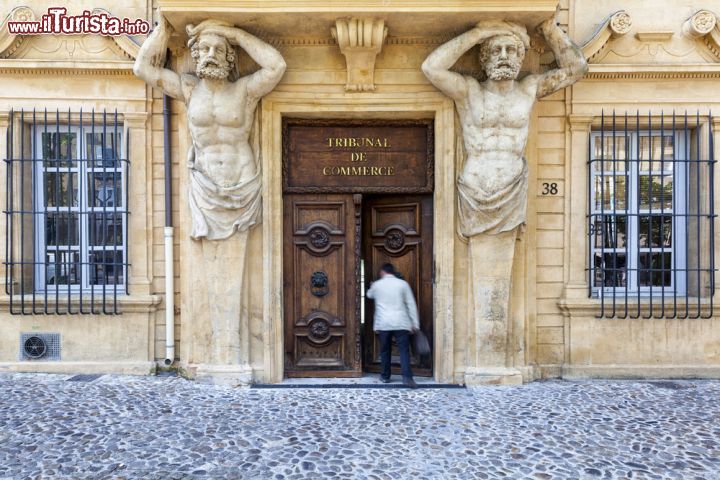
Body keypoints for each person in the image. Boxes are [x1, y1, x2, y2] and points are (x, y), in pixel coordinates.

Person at [133, 12, 286, 240]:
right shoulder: (189, 89)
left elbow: (277, 66)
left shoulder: (244, 91)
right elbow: (142, 69)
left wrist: (234, 34)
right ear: (196, 54)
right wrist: (163, 29)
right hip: (204, 186)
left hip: (243, 184)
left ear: (229, 57)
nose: (211, 55)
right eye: (205, 49)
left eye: (219, 49)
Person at [366, 263, 420, 388]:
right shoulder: (403, 284)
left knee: (385, 351)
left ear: (382, 272)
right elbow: (411, 304)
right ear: (393, 272)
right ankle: (407, 377)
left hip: (384, 323)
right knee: (404, 351)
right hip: (401, 322)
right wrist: (415, 323)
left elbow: (369, 295)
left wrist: (372, 286)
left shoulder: (378, 285)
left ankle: (385, 376)